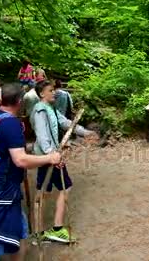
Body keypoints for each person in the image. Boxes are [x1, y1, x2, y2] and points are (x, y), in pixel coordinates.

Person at [0, 83, 62, 261]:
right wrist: (50, 158)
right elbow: (21, 159)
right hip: (1, 194)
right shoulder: (10, 124)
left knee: (21, 234)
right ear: (19, 101)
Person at [31, 80, 97, 243]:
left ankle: (42, 232)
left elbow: (65, 122)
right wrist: (52, 156)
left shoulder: (50, 108)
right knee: (60, 189)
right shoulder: (40, 110)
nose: (54, 93)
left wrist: (84, 132)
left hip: (51, 156)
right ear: (42, 94)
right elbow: (42, 136)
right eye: (51, 90)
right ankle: (54, 230)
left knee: (46, 191)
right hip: (49, 157)